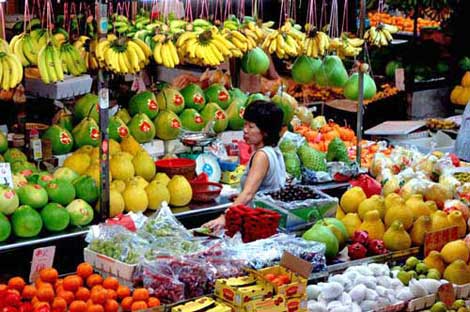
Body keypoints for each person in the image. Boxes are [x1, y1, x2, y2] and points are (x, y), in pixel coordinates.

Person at [203, 100, 287, 232]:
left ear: (265, 131)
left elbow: (248, 193)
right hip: (268, 221)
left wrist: (224, 217)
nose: (245, 130)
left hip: (260, 224)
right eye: (245, 124)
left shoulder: (261, 156)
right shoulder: (274, 150)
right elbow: (263, 188)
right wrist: (240, 194)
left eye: (251, 126)